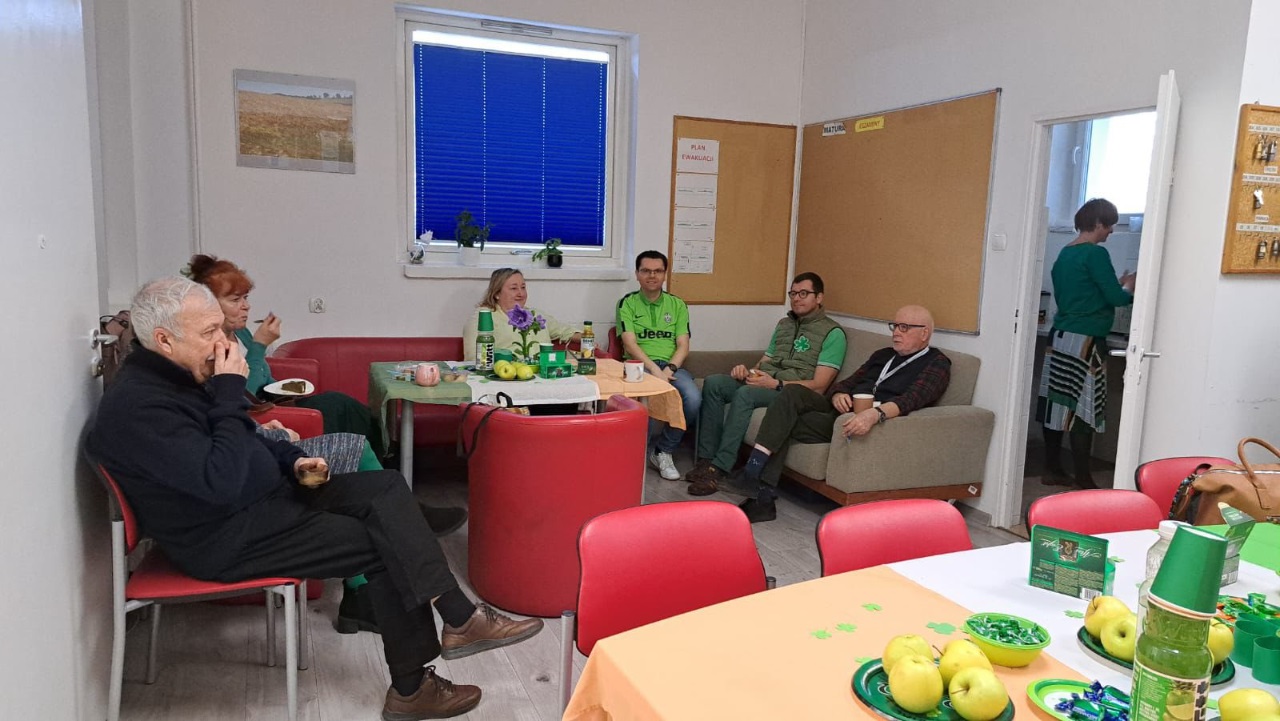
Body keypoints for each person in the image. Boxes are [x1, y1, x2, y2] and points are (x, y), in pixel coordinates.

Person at [88, 278, 544, 719]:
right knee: (382, 540)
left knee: (386, 487)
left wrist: (292, 460)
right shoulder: (140, 407)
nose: (224, 343)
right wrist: (228, 392)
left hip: (262, 501)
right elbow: (220, 481)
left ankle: (459, 619)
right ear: (164, 340)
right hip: (224, 537)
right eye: (210, 332)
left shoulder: (182, 377)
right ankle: (414, 685)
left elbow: (245, 438)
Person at [730, 305, 951, 523]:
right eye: (894, 326)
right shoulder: (883, 355)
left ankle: (760, 493)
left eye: (904, 327)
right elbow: (846, 383)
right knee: (792, 392)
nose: (896, 333)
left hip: (858, 422)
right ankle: (753, 474)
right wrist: (839, 394)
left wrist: (873, 415)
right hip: (837, 410)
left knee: (783, 422)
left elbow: (912, 399)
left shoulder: (936, 364)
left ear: (924, 333)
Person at [184, 255, 378, 447]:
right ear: (210, 304)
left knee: (341, 403)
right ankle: (378, 451)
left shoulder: (241, 333)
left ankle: (378, 450)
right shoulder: (209, 348)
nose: (246, 306)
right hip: (258, 414)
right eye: (236, 300)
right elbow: (244, 395)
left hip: (272, 403)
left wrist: (283, 391)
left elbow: (264, 376)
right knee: (337, 405)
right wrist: (259, 345)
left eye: (246, 297)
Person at [686, 272, 846, 496]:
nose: (796, 298)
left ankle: (720, 468)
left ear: (819, 297)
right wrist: (747, 372)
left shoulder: (833, 333)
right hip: (766, 381)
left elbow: (820, 386)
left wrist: (776, 383)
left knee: (746, 394)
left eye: (803, 293)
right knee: (715, 383)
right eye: (793, 293)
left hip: (788, 392)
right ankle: (706, 460)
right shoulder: (784, 324)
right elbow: (764, 361)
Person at [1038, 198, 1135, 489]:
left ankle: (1052, 469)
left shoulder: (1065, 253)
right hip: (1086, 340)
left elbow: (1083, 292)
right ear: (1098, 223)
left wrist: (1116, 285)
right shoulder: (1095, 254)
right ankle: (1083, 477)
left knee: (1056, 405)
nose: (1111, 231)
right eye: (1109, 225)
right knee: (1084, 408)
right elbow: (1116, 298)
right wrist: (1129, 285)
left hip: (1061, 337)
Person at [616, 250, 699, 480]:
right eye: (646, 271)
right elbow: (629, 343)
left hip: (670, 368)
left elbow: (683, 345)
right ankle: (634, 456)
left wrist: (669, 369)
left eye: (657, 271)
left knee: (693, 399)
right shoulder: (627, 303)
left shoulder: (677, 304)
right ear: (637, 274)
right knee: (648, 400)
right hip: (639, 366)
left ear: (664, 274)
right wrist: (654, 370)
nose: (652, 276)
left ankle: (663, 450)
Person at [462, 268, 580, 361]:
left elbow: (565, 331)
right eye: (514, 288)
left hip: (543, 375)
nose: (521, 294)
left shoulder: (535, 315)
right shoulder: (483, 317)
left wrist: (587, 339)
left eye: (523, 287)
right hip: (505, 377)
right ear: (496, 293)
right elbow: (474, 357)